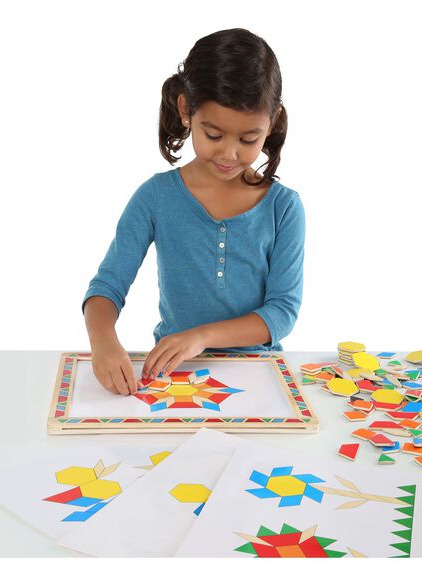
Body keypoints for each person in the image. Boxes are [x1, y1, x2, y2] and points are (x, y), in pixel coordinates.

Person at [82, 28, 305, 395]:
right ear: (186, 110)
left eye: (248, 139)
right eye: (214, 135)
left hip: (261, 376)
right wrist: (104, 342)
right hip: (174, 377)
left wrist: (202, 337)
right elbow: (107, 286)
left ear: (273, 122)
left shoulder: (284, 208)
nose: (229, 153)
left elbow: (281, 312)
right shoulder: (156, 197)